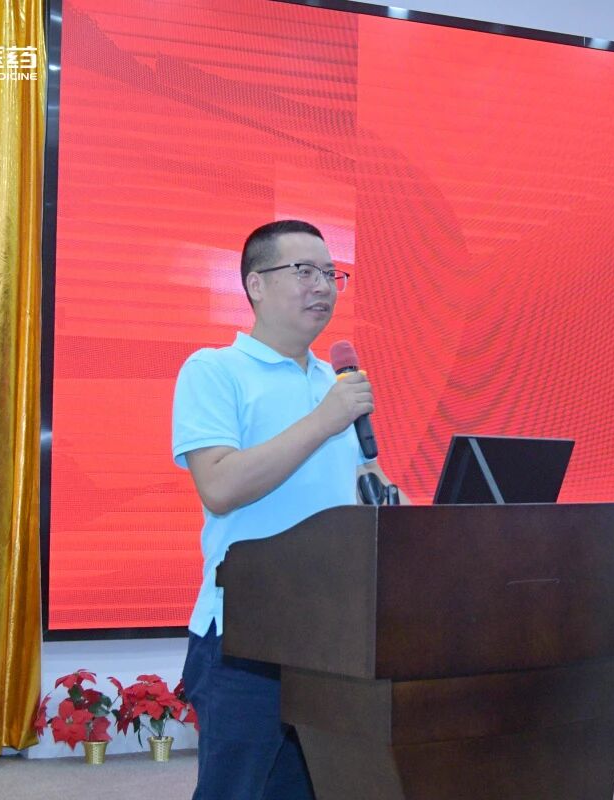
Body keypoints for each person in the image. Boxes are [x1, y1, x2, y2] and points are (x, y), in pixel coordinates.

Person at [172, 219, 400, 799]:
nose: (322, 286)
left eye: (331, 274)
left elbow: (361, 490)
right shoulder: (214, 370)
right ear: (255, 284)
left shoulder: (336, 382)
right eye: (303, 272)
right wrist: (324, 420)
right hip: (246, 632)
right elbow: (220, 486)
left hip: (334, 631)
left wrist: (389, 496)